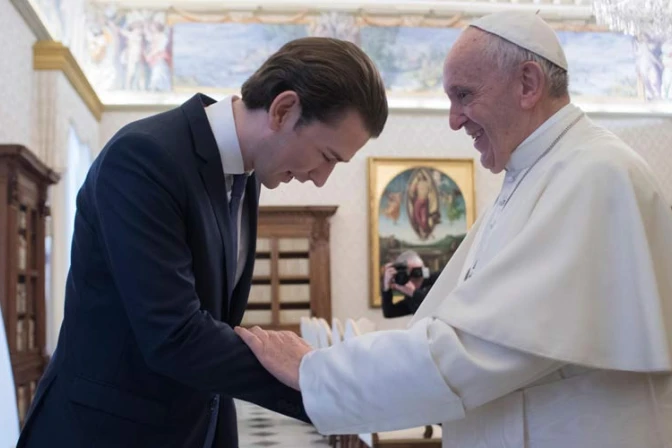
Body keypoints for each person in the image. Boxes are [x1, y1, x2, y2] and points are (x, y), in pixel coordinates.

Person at [236, 11, 672, 448]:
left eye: (464, 95)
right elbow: (447, 329)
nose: (454, 120)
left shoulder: (595, 174)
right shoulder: (536, 175)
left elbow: (479, 347)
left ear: (527, 84)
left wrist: (317, 370)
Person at [17, 37, 388, 448]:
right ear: (283, 110)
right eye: (327, 156)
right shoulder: (144, 158)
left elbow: (214, 327)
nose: (320, 179)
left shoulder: (248, 177)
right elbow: (175, 335)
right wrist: (322, 384)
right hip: (106, 433)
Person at [381, 251, 439, 318]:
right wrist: (386, 287)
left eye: (420, 270)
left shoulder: (438, 279)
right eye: (414, 272)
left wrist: (413, 292)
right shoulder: (411, 298)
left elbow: (435, 303)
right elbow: (389, 312)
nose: (419, 275)